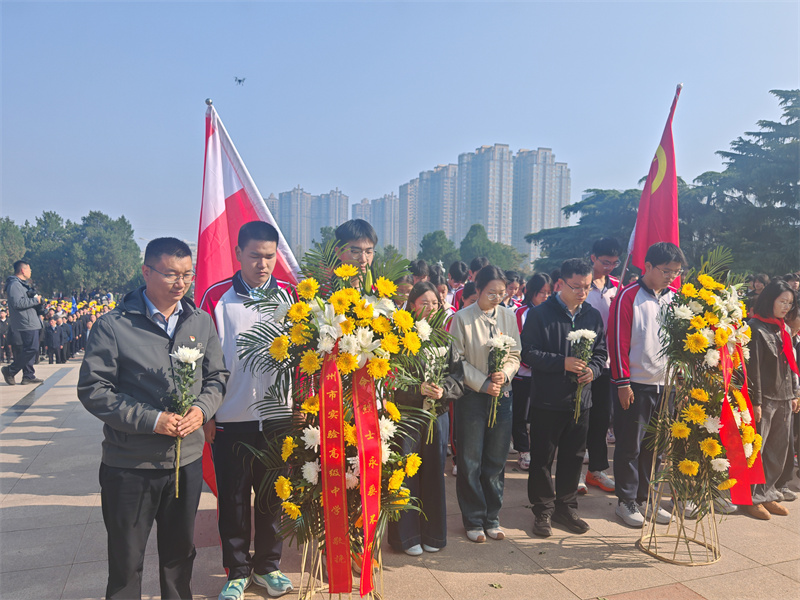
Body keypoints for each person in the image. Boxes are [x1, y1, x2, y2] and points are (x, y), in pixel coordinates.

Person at [77, 237, 229, 600]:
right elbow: (94, 389)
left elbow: (217, 377)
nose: (180, 283)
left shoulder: (200, 321)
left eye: (187, 274)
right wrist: (152, 419)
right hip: (131, 464)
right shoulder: (114, 326)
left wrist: (202, 409)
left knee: (180, 556)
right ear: (146, 272)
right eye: (170, 274)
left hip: (185, 462)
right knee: (126, 560)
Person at [200, 222, 295, 600]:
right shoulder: (217, 298)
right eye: (254, 255)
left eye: (269, 256)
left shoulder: (292, 298)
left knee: (274, 496)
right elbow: (202, 361)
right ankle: (237, 571)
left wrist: (300, 407)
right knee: (234, 499)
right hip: (230, 418)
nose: (262, 263)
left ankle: (269, 567)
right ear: (238, 253)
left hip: (278, 417)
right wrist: (207, 413)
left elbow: (304, 360)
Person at [522, 259, 607, 537]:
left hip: (581, 401)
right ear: (561, 284)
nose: (583, 292)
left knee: (574, 456)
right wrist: (563, 363)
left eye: (587, 286)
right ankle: (543, 510)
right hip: (548, 400)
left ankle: (566, 507)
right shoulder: (540, 314)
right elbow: (528, 353)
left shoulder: (592, 316)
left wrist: (593, 371)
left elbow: (600, 353)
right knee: (542, 459)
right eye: (577, 287)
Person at [607, 242, 685, 527]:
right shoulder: (628, 296)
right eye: (666, 271)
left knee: (655, 448)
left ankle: (647, 497)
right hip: (635, 385)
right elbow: (617, 342)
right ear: (647, 266)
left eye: (676, 272)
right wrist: (622, 383)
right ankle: (626, 500)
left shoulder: (675, 299)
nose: (671, 277)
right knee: (630, 446)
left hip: (666, 386)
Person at [388, 282, 464, 556]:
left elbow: (458, 377)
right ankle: (406, 538)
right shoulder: (399, 338)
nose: (430, 308)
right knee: (405, 475)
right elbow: (390, 379)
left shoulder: (446, 339)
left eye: (435, 302)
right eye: (424, 302)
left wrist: (444, 390)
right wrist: (416, 389)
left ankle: (433, 534)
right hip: (408, 417)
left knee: (434, 474)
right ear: (411, 305)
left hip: (437, 416)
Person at [449, 265, 521, 543]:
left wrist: (506, 375)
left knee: (496, 460)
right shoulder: (462, 319)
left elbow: (515, 352)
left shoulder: (508, 316)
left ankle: (493, 516)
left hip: (502, 395)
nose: (497, 298)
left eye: (502, 293)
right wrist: (482, 383)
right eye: (491, 292)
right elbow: (457, 361)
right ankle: (474, 518)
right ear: (477, 289)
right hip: (473, 397)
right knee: (470, 460)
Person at [741, 280, 800, 519]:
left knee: (778, 450)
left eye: (790, 303)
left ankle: (768, 493)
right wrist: (755, 402)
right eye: (782, 302)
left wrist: (794, 394)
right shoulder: (755, 327)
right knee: (757, 450)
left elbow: (791, 365)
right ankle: (750, 497)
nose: (786, 307)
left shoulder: (783, 328)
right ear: (770, 300)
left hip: (784, 397)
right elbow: (751, 368)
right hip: (764, 398)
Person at [582, 238, 622, 495]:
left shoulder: (618, 288)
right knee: (579, 417)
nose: (609, 267)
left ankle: (596, 470)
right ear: (593, 257)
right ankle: (573, 470)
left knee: (600, 418)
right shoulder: (580, 284)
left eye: (614, 263)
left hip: (607, 362)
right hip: (581, 361)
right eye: (605, 262)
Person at [512, 273, 552, 470]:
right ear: (530, 292)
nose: (544, 297)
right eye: (540, 293)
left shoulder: (551, 312)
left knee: (538, 415)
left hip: (543, 373)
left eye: (547, 293)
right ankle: (523, 451)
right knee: (520, 414)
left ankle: (536, 449)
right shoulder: (520, 312)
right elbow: (518, 341)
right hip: (522, 373)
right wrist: (529, 362)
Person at [2, 260, 44, 385]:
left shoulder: (21, 284)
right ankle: (10, 370)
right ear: (22, 270)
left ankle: (28, 375)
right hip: (25, 322)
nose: (30, 272)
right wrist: (36, 300)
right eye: (29, 269)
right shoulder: (14, 285)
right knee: (32, 348)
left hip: (30, 320)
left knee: (29, 348)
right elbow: (17, 303)